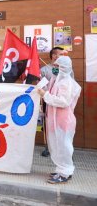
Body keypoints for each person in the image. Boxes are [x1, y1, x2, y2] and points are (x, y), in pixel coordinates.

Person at [37, 56, 81, 184]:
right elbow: (50, 94)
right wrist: (42, 90)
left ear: (64, 68)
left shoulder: (67, 83)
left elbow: (63, 101)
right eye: (54, 66)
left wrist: (44, 95)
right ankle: (61, 169)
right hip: (54, 120)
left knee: (64, 147)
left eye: (57, 67)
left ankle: (65, 172)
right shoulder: (56, 80)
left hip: (63, 121)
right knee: (55, 146)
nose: (54, 68)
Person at [40, 47, 69, 157]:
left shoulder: (67, 70)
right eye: (57, 54)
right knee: (48, 124)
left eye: (61, 54)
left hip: (62, 102)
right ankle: (48, 147)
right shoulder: (44, 70)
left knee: (63, 125)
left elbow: (71, 83)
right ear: (53, 56)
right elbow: (42, 85)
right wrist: (49, 96)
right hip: (48, 101)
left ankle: (64, 147)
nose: (59, 56)